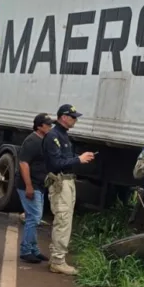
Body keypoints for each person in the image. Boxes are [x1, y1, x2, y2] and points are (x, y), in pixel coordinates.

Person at [42, 103, 95, 276]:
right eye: (73, 117)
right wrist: (79, 159)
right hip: (60, 182)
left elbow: (65, 158)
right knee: (63, 220)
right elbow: (56, 163)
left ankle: (57, 257)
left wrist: (78, 158)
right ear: (63, 117)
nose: (75, 121)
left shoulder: (63, 136)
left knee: (65, 220)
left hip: (67, 181)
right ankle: (58, 261)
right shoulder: (53, 136)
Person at [17, 113, 53, 264]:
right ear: (39, 126)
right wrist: (29, 186)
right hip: (30, 185)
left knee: (35, 218)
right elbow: (23, 164)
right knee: (33, 218)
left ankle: (34, 250)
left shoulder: (43, 140)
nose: (51, 127)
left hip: (39, 184)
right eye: (48, 124)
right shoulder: (32, 141)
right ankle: (26, 250)